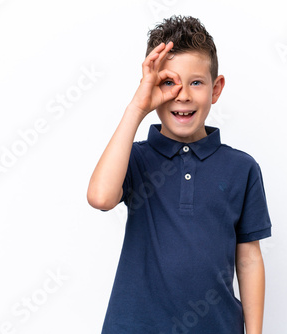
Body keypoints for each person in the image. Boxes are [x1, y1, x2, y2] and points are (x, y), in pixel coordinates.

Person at [87, 15, 272, 334]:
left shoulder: (242, 168)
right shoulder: (137, 159)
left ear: (216, 89)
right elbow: (101, 197)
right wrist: (137, 107)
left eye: (196, 82)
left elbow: (249, 259)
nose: (183, 95)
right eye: (169, 82)